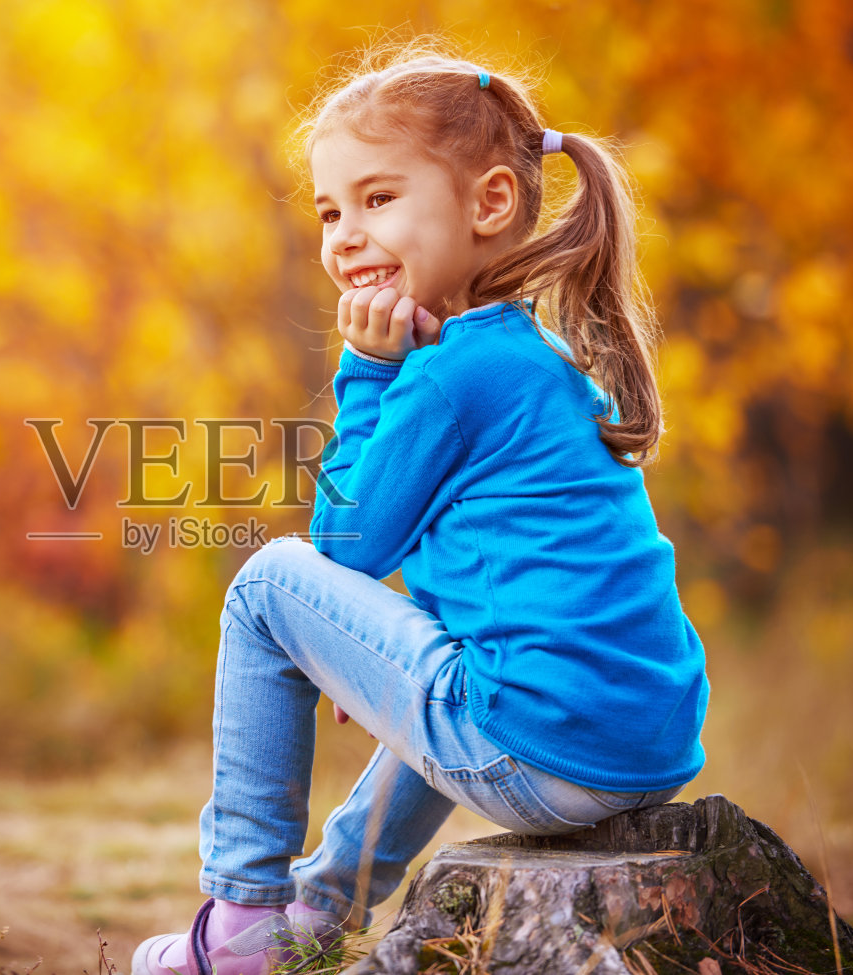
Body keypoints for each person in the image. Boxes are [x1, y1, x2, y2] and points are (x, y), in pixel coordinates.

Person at [131, 48, 710, 975]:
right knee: (457, 677)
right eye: (330, 211)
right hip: (641, 738)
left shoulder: (453, 371)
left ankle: (242, 924)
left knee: (264, 583)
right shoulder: (531, 355)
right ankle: (321, 910)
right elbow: (516, 567)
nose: (346, 235)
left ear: (488, 206)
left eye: (379, 199)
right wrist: (379, 661)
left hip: (541, 750)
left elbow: (341, 543)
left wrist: (366, 371)